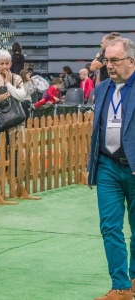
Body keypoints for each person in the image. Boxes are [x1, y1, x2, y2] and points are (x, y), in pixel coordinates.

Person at [87, 37, 135, 300]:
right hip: (107, 166)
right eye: (106, 60)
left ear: (131, 61)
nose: (109, 65)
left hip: (134, 166)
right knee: (110, 227)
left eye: (114, 60)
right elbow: (96, 131)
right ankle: (121, 286)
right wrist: (90, 166)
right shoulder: (102, 88)